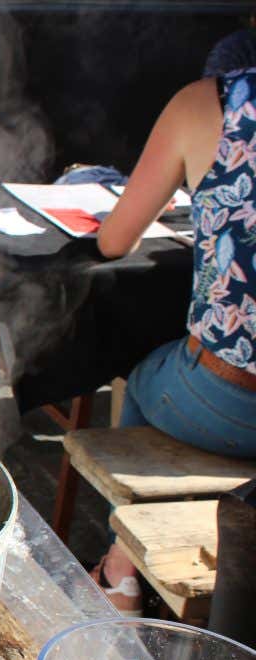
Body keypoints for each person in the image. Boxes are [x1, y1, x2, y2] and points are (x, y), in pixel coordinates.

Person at [92, 56, 256, 613]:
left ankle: (121, 572)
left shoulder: (209, 103)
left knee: (142, 381)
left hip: (226, 405)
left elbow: (114, 242)